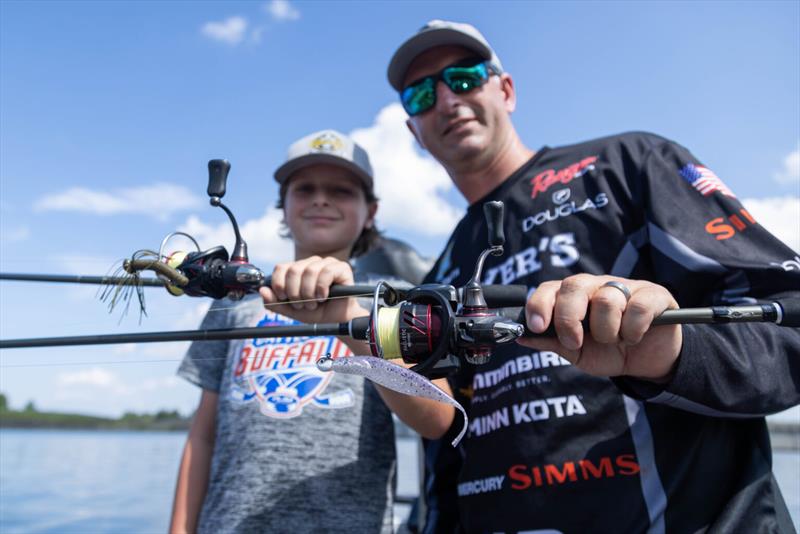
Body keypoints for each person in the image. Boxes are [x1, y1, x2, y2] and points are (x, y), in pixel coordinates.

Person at [385, 19, 800, 533]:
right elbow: (446, 440)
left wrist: (670, 356)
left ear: (506, 90)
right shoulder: (442, 269)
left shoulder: (627, 165)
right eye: (422, 93)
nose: (446, 100)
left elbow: (790, 322)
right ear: (412, 130)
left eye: (465, 78)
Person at [170, 129, 413, 533]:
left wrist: (352, 320)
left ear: (371, 211)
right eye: (305, 188)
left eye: (341, 190)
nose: (321, 199)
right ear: (282, 206)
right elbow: (203, 435)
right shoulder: (235, 301)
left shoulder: (392, 299)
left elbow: (438, 419)